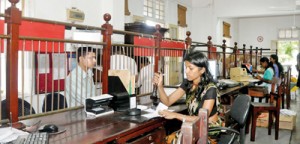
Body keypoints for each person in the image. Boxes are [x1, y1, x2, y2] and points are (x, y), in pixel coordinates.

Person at [153, 51, 221, 143]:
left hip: (209, 131)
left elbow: (202, 120)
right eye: (186, 67)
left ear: (202, 70)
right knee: (167, 139)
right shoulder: (188, 83)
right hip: (193, 126)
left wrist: (175, 115)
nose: (187, 71)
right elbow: (167, 101)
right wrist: (160, 86)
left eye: (191, 68)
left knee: (171, 140)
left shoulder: (210, 89)